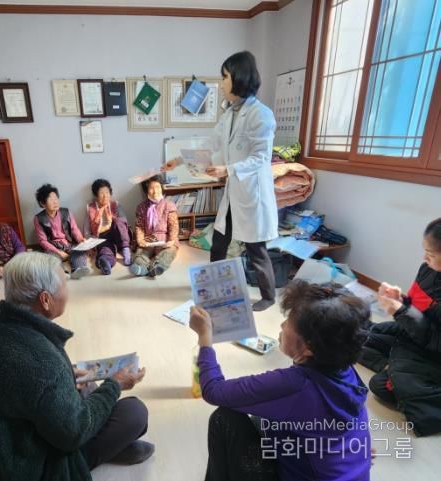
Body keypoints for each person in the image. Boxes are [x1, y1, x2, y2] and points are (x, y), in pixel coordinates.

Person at [0, 252, 154, 481]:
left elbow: (17, 383)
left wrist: (68, 374)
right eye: (64, 285)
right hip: (26, 468)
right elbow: (74, 432)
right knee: (134, 413)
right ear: (45, 300)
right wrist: (115, 385)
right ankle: (101, 453)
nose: (67, 292)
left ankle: (110, 447)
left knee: (87, 386)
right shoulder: (44, 364)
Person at [190, 279, 371, 481]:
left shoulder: (294, 384)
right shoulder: (345, 369)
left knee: (224, 418)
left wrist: (205, 338)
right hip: (350, 471)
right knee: (264, 416)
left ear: (309, 347)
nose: (282, 325)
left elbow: (213, 391)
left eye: (289, 321)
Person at [164, 51, 278, 311]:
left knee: (255, 248)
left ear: (239, 77)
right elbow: (210, 144)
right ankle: (212, 284)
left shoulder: (261, 114)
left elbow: (261, 158)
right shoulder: (230, 113)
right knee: (219, 240)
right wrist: (178, 160)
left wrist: (228, 169)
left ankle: (269, 296)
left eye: (225, 77)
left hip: (251, 193)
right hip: (234, 192)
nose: (222, 83)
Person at [360, 218, 441, 437]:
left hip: (434, 353)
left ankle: (394, 371)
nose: (424, 258)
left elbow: (435, 339)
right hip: (415, 337)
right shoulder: (428, 269)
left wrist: (401, 312)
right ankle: (395, 368)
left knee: (379, 386)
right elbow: (420, 307)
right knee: (363, 336)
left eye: (430, 254)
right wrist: (401, 300)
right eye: (425, 251)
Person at [34, 183, 91, 279]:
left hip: (68, 243)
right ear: (43, 204)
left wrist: (81, 239)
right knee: (50, 258)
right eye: (51, 200)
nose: (55, 202)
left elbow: (74, 229)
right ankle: (62, 273)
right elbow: (42, 241)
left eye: (56, 198)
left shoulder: (66, 212)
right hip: (53, 247)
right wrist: (58, 252)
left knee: (79, 251)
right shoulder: (38, 218)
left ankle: (78, 269)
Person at [130, 175, 179, 277]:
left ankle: (157, 266)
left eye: (157, 187)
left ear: (161, 188)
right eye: (151, 188)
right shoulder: (141, 207)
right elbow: (139, 226)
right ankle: (142, 268)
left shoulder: (169, 205)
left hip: (165, 240)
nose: (155, 191)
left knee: (169, 253)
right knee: (139, 254)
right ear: (146, 190)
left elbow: (173, 225)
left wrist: (171, 240)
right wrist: (140, 240)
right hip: (148, 240)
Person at [84, 179, 131, 275]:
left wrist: (111, 222)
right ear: (96, 195)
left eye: (107, 192)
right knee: (105, 250)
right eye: (101, 193)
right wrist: (89, 244)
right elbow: (87, 231)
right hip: (102, 237)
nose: (105, 196)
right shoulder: (90, 208)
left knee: (118, 221)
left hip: (118, 235)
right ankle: (106, 263)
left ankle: (125, 250)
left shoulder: (116, 205)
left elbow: (124, 222)